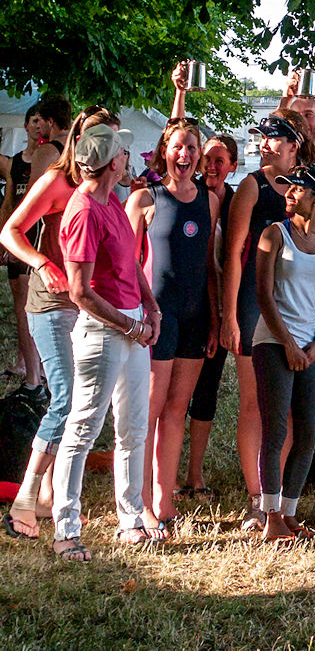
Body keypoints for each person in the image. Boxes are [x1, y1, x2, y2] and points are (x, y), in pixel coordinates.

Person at [0, 107, 116, 540]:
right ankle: (24, 503)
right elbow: (10, 231)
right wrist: (41, 261)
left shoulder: (104, 186)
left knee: (79, 402)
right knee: (65, 398)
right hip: (50, 303)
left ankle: (51, 495)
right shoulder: (55, 179)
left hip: (87, 304)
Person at [50, 124, 163, 561]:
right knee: (83, 428)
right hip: (102, 331)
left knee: (133, 427)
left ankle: (131, 518)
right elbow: (80, 291)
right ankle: (66, 529)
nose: (128, 156)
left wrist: (149, 308)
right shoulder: (83, 211)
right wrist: (131, 325)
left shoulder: (112, 201)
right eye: (123, 151)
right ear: (112, 162)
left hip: (131, 324)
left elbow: (132, 263)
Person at [220, 110, 315, 531]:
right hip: (252, 305)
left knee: (291, 412)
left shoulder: (309, 188)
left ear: (294, 146)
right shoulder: (252, 185)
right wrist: (228, 315)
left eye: (274, 139)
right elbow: (233, 253)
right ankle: (257, 501)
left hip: (296, 308)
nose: (265, 145)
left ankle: (278, 501)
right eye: (261, 138)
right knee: (254, 406)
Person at [124, 118, 220, 529]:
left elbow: (211, 267)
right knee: (150, 409)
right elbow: (126, 267)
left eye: (192, 149)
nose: (185, 156)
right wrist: (137, 316)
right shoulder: (145, 199)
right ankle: (140, 501)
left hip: (195, 318)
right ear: (165, 150)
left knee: (177, 410)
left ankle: (165, 501)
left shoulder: (211, 201)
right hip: (157, 318)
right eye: (178, 147)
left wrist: (217, 320)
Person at [252, 163, 315, 542]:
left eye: (298, 189)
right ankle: (269, 513)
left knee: (309, 433)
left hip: (309, 346)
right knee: (276, 430)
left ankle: (288, 512)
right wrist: (288, 343)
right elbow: (263, 295)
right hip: (273, 342)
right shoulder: (274, 234)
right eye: (287, 188)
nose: (289, 193)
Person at [182, 134, 238, 498]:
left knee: (206, 389)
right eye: (208, 158)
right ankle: (164, 473)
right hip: (183, 301)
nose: (211, 166)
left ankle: (194, 473)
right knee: (173, 392)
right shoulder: (186, 192)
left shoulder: (236, 202)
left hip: (216, 306)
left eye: (220, 160)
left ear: (233, 165)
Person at [0, 104, 47, 394]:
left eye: (42, 120)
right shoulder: (16, 162)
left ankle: (37, 367)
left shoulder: (51, 159)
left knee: (35, 305)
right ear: (27, 125)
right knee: (20, 303)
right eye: (33, 120)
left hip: (38, 239)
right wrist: (3, 237)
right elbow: (8, 202)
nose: (37, 125)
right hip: (17, 238)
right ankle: (23, 360)